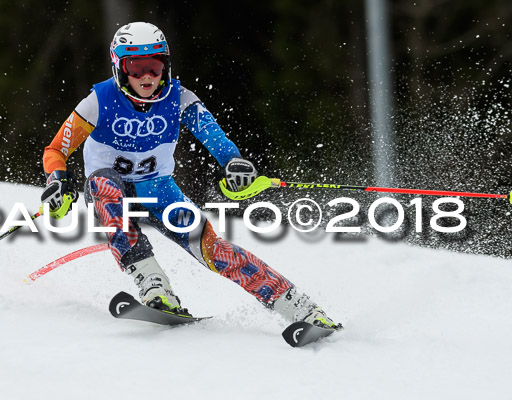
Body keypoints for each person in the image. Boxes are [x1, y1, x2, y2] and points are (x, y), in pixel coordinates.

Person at [41, 22, 341, 330]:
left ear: (166, 65)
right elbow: (55, 150)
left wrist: (233, 162)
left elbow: (215, 138)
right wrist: (57, 179)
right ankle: (155, 285)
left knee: (213, 249)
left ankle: (300, 308)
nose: (147, 76)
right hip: (110, 190)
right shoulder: (99, 101)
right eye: (137, 66)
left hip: (157, 189)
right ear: (119, 67)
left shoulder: (180, 98)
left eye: (155, 65)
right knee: (105, 185)